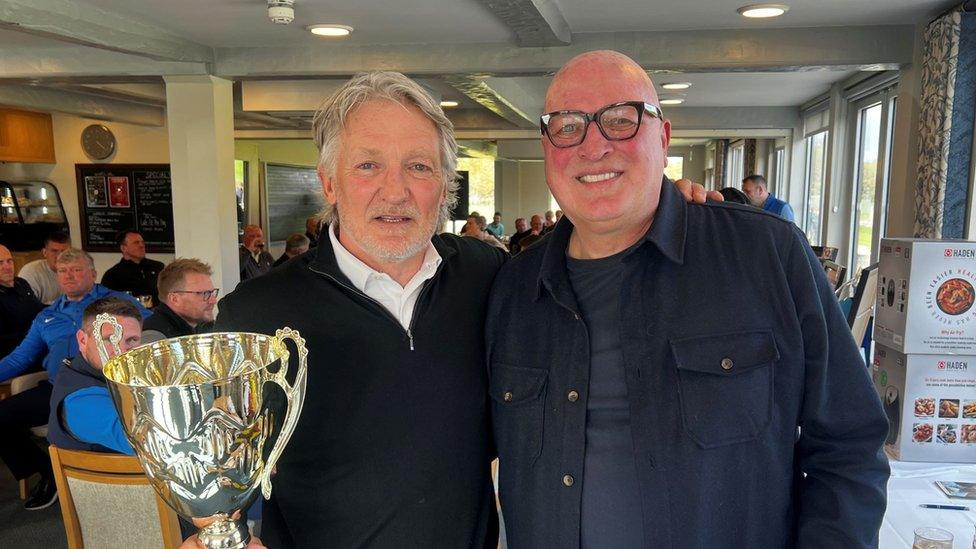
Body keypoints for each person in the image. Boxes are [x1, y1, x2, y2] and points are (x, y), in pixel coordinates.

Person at [184, 71, 713, 549]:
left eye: (419, 166)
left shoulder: (491, 278)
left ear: (444, 187)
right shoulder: (252, 315)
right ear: (329, 182)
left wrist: (653, 204)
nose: (396, 191)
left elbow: (590, 252)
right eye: (368, 165)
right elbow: (207, 473)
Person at [485, 50, 889, 548]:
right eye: (567, 126)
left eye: (619, 120)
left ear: (664, 136)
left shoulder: (766, 256)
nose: (594, 146)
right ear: (547, 147)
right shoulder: (512, 290)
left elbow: (848, 445)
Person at [0, 248, 148, 510]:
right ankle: (47, 470)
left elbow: (150, 332)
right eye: (62, 270)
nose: (69, 276)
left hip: (112, 384)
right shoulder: (47, 316)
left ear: (92, 273)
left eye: (76, 269)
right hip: (62, 385)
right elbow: (18, 359)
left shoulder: (116, 304)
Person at [47, 297, 142, 455]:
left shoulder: (117, 376)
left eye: (132, 340)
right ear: (83, 340)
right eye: (110, 340)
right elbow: (154, 446)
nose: (122, 351)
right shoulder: (81, 401)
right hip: (124, 479)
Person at [143, 258, 218, 340]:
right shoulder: (154, 338)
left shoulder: (206, 328)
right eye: (204, 294)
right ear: (175, 299)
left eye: (212, 292)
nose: (213, 301)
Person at [0, 244, 45, 358]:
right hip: (14, 355)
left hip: (38, 345)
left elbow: (37, 309)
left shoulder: (21, 283)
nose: (7, 266)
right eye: (0, 263)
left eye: (9, 261)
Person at [100, 229, 166, 306]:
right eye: (136, 243)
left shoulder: (158, 267)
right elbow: (106, 304)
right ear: (123, 248)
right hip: (130, 316)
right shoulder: (112, 275)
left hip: (158, 315)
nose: (141, 246)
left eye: (142, 242)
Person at [18, 231, 70, 304]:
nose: (59, 256)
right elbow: (27, 307)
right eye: (54, 251)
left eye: (64, 252)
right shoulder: (31, 271)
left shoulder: (77, 270)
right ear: (44, 252)